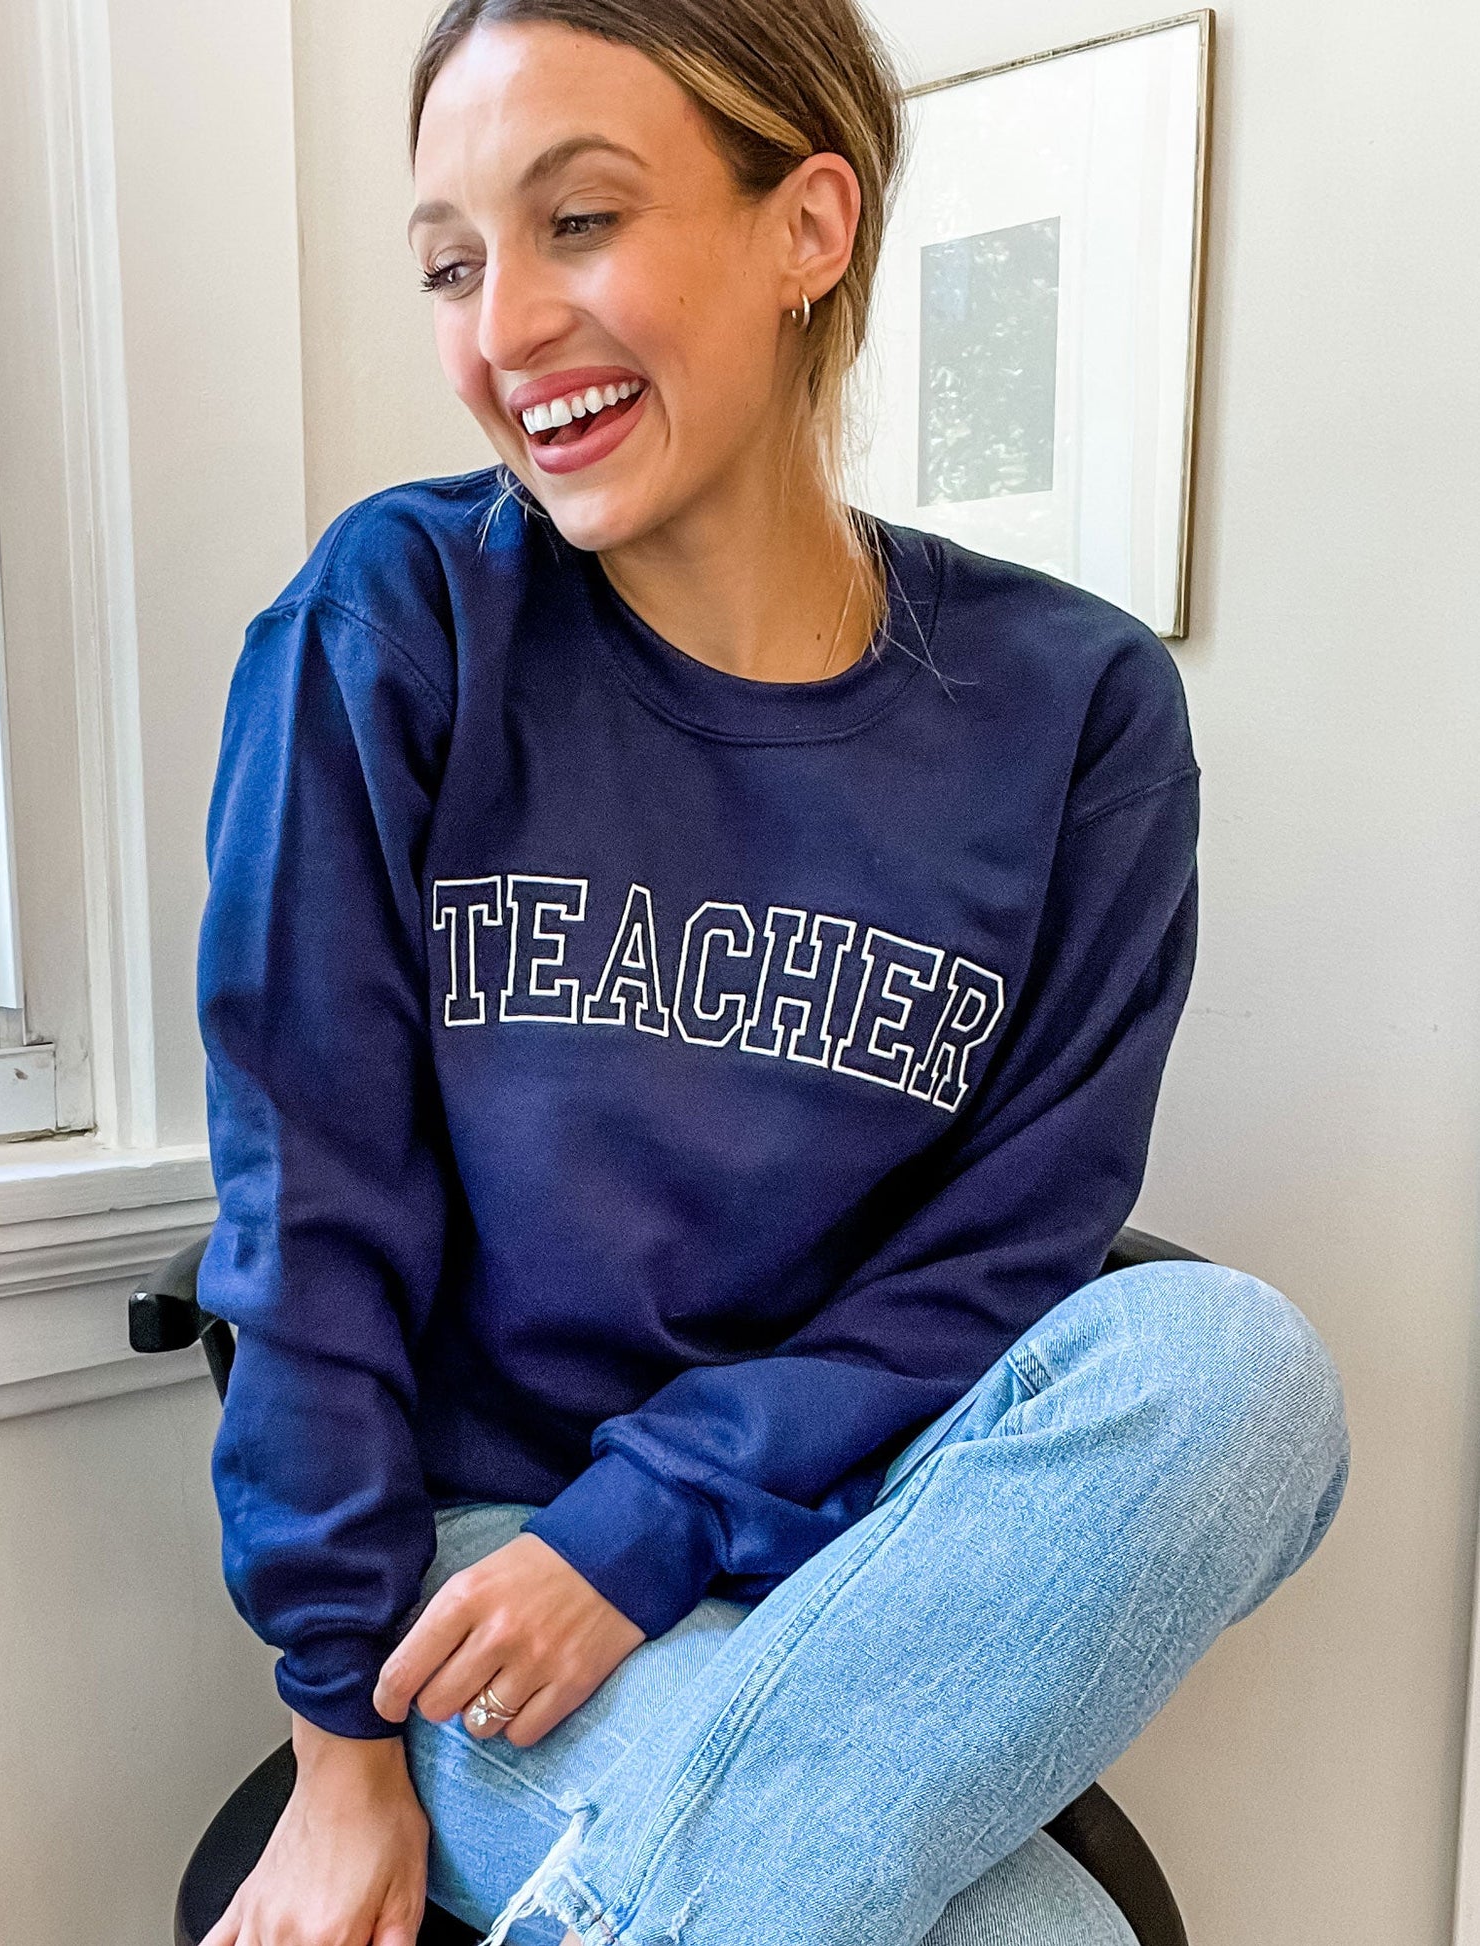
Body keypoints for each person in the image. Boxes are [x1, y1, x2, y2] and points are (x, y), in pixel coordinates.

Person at [192, 4, 1351, 1945]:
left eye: (578, 223)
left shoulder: (1073, 717)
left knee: (1241, 1366)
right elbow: (304, 1216)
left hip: (888, 1546)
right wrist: (338, 1756)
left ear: (807, 226)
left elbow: (1004, 1257)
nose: (501, 332)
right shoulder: (394, 629)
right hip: (491, 1577)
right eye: (451, 266)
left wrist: (655, 1530)